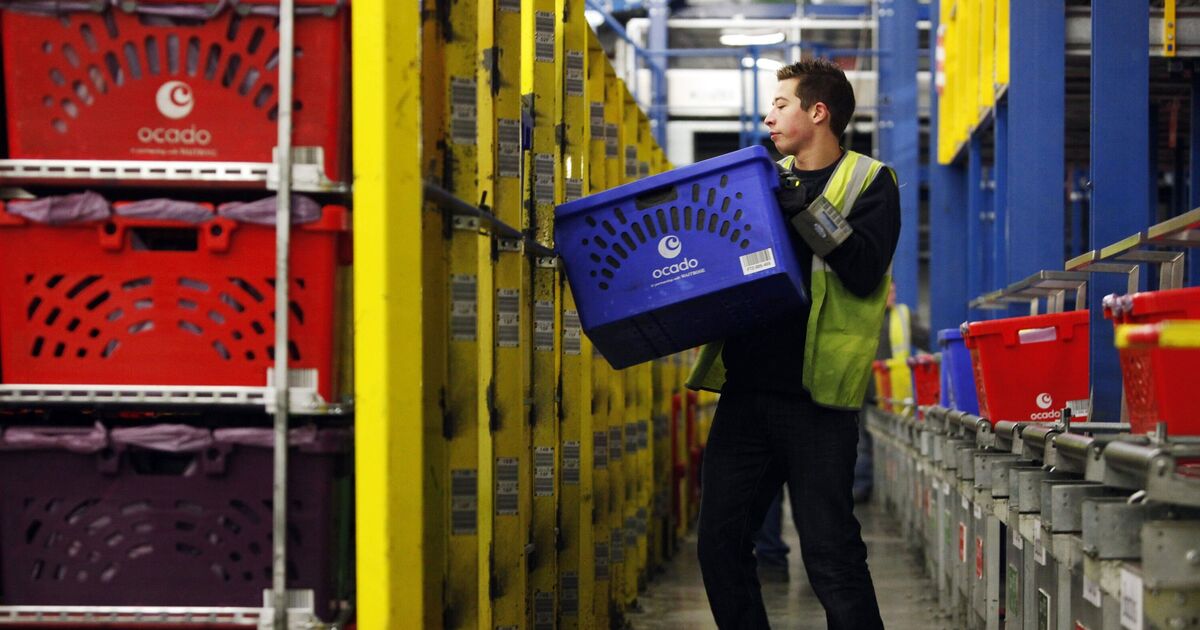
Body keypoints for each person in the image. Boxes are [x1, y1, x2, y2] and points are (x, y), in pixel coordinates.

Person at [687, 58, 900, 629]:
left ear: (818, 111)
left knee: (832, 556)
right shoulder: (757, 178)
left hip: (818, 404)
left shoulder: (870, 181)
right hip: (745, 394)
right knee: (719, 545)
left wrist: (804, 207)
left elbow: (863, 267)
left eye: (780, 105)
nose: (768, 116)